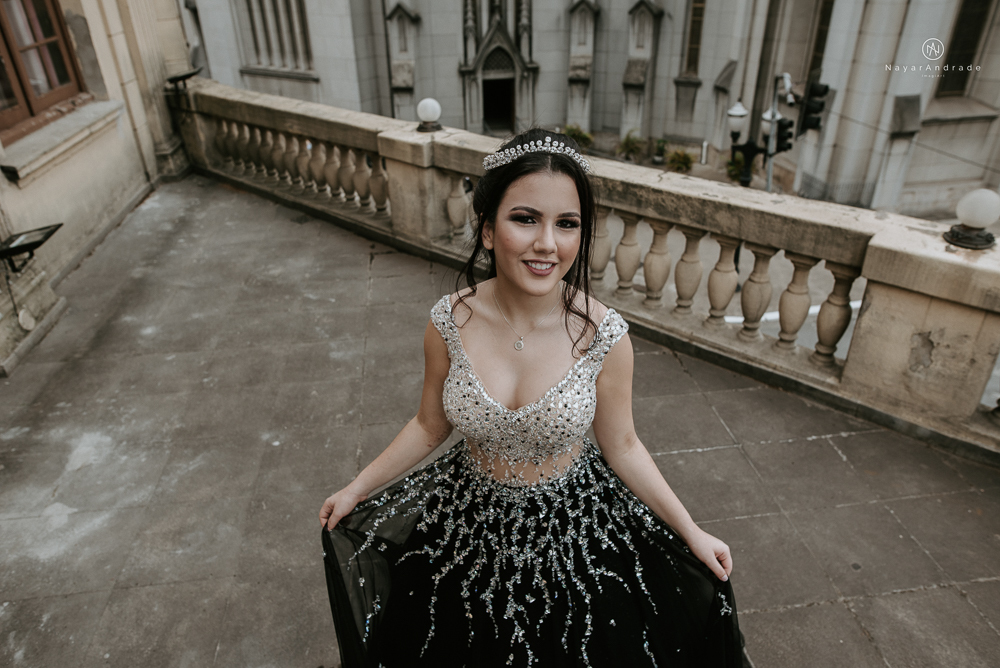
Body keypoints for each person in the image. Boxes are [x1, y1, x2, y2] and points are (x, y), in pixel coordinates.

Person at [319, 129, 743, 667]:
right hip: (466, 526)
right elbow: (429, 424)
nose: (548, 244)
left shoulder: (604, 335)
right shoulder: (449, 321)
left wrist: (693, 532)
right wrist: (357, 488)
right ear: (488, 230)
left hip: (577, 534)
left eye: (566, 224)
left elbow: (626, 446)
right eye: (526, 219)